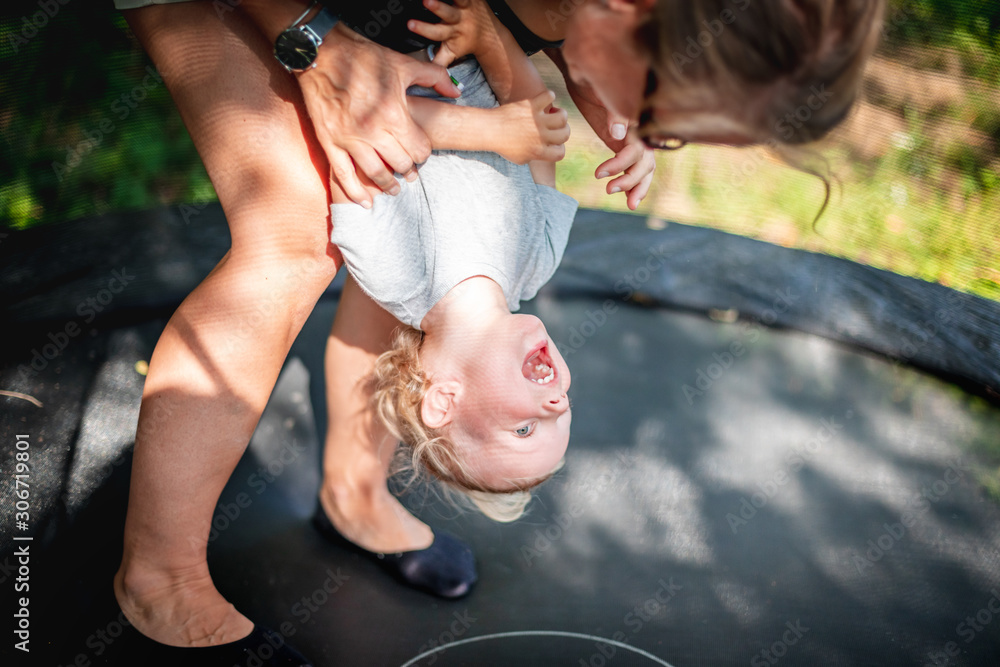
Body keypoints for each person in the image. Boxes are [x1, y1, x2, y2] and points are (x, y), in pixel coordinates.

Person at [112, 0, 885, 662]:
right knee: (297, 237)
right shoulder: (531, 255)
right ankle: (161, 571)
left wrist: (558, 77)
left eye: (668, 131)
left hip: (417, 64)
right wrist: (319, 38)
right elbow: (415, 124)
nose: (637, 130)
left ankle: (353, 490)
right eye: (662, 111)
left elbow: (521, 83)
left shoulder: (460, 273)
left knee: (413, 296)